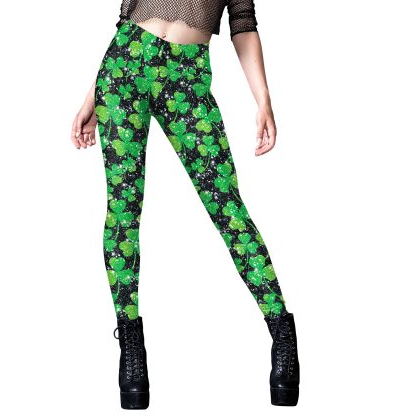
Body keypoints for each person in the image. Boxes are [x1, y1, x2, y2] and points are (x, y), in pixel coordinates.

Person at [70, 0, 300, 410]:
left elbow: (242, 21)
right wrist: (91, 97)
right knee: (123, 212)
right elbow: (126, 19)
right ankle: (131, 348)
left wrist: (263, 100)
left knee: (227, 208)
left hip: (187, 75)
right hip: (124, 68)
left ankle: (282, 333)